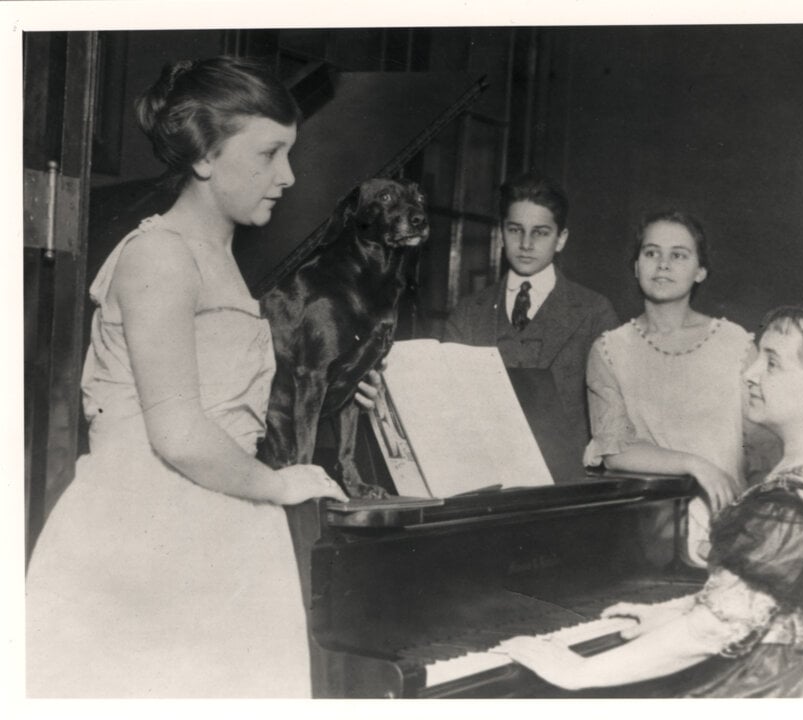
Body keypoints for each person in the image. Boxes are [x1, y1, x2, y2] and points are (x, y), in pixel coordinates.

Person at [25, 57, 365, 698]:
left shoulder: (217, 257)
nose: (287, 177)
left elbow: (223, 398)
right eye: (269, 154)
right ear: (205, 156)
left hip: (214, 519)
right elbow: (178, 433)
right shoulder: (161, 254)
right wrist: (275, 484)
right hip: (150, 531)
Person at [501, 302, 803, 697]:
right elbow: (780, 597)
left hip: (799, 684)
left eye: (772, 363)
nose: (750, 373)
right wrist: (673, 613)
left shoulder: (797, 499)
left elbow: (717, 627)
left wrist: (580, 671)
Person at [583, 210, 778, 566]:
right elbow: (615, 449)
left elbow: (763, 451)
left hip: (729, 528)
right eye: (651, 252)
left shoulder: (735, 344)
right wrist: (694, 465)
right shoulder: (609, 350)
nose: (663, 265)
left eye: (679, 255)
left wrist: (756, 530)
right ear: (636, 265)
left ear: (700, 270)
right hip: (645, 534)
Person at [443, 174, 619, 451]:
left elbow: (612, 414)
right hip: (487, 475)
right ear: (501, 233)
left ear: (561, 239)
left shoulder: (594, 312)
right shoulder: (467, 314)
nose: (526, 243)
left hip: (566, 478)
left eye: (540, 232)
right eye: (515, 230)